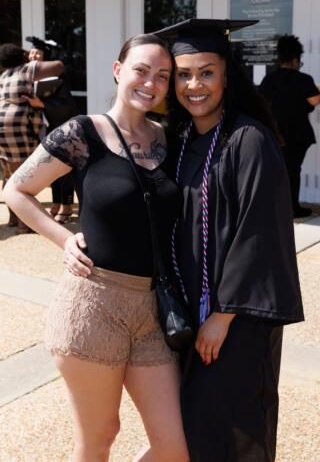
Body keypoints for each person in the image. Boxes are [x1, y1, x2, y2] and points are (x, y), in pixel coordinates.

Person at [3, 34, 189, 462]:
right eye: (141, 70)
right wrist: (63, 238)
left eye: (163, 76)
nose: (152, 82)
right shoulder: (82, 132)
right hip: (93, 304)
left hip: (152, 311)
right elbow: (17, 189)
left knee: (175, 445)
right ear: (118, 70)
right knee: (99, 437)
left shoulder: (170, 139)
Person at [154, 18, 304, 461]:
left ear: (226, 75)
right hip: (186, 318)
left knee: (237, 426)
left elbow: (259, 232)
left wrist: (222, 315)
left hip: (234, 322)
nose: (193, 85)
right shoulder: (178, 142)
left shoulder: (248, 140)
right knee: (194, 425)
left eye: (206, 72)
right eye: (183, 74)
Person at [0, 43, 64, 232]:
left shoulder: (4, 75)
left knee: (8, 171)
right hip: (18, 127)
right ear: (21, 56)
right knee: (23, 173)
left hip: (2, 125)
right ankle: (24, 223)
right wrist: (32, 61)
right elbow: (59, 66)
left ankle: (13, 217)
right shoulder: (27, 69)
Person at [259, 34, 320, 218]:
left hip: (276, 133)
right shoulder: (303, 79)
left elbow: (262, 102)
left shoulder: (269, 79)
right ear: (296, 59)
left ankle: (277, 206)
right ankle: (292, 207)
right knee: (293, 170)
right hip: (298, 133)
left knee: (278, 170)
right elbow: (316, 99)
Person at [28, 42, 78, 223]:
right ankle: (56, 202)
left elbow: (65, 106)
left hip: (61, 126)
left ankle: (67, 205)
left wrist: (40, 104)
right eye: (31, 54)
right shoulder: (27, 78)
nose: (33, 56)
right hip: (45, 128)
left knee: (63, 167)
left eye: (37, 54)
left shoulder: (57, 78)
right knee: (51, 167)